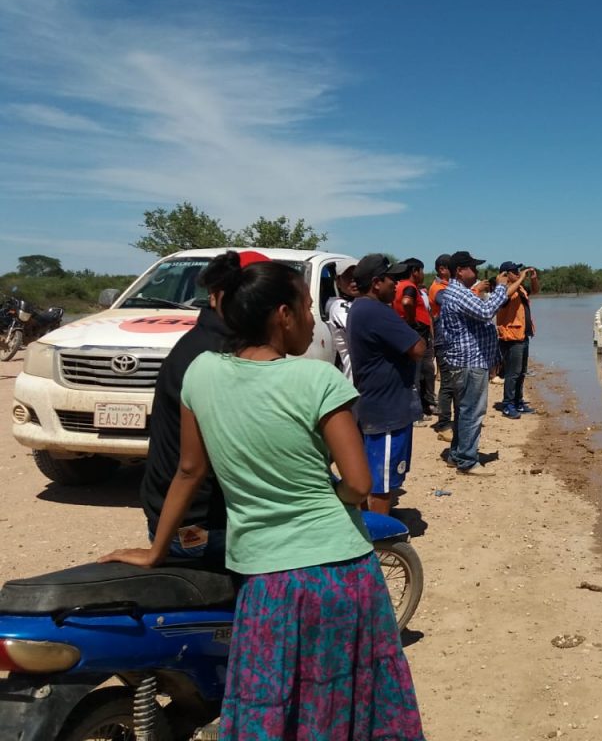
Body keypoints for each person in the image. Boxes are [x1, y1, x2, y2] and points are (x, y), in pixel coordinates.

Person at [102, 252, 424, 739]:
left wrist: (154, 550)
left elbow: (188, 471)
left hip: (265, 578)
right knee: (348, 702)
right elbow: (359, 485)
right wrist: (324, 495)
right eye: (306, 307)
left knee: (269, 702)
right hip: (340, 573)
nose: (313, 319)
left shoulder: (202, 372)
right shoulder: (318, 379)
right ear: (283, 314)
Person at [139, 249, 270, 564]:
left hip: (175, 519)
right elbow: (194, 468)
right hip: (202, 529)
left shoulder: (204, 341)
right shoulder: (227, 357)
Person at [347, 254, 426, 514]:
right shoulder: (375, 311)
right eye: (392, 279)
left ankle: (367, 523)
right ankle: (380, 541)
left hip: (376, 404)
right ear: (377, 282)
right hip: (386, 410)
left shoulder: (361, 308)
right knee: (383, 481)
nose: (397, 284)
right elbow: (417, 348)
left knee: (372, 475)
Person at [439, 250, 528, 476]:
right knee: (472, 412)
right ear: (460, 270)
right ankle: (467, 460)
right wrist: (499, 286)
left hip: (467, 362)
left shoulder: (459, 292)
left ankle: (458, 454)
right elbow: (487, 310)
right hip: (470, 363)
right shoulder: (459, 293)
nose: (476, 272)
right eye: (473, 268)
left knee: (463, 411)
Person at [496, 262, 540, 419]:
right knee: (512, 373)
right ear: (506, 274)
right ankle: (508, 404)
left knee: (521, 372)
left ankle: (518, 402)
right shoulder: (501, 291)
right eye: (515, 271)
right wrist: (521, 278)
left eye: (519, 270)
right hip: (511, 337)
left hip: (523, 335)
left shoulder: (519, 288)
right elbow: (505, 296)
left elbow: (535, 290)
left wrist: (533, 278)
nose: (519, 273)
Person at [395, 258, 436, 421]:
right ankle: (415, 414)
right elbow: (407, 302)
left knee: (420, 372)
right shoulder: (409, 287)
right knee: (415, 375)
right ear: (415, 271)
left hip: (414, 333)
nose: (423, 274)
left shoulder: (398, 286)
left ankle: (422, 407)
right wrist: (411, 320)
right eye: (421, 270)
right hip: (416, 334)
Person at [428, 254, 455, 437]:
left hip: (448, 340)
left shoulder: (447, 286)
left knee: (452, 383)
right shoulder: (437, 288)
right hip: (443, 340)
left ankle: (446, 420)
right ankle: (444, 423)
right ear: (442, 269)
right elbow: (450, 303)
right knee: (447, 384)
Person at [325, 259, 360, 379]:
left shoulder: (362, 303)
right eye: (348, 278)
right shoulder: (340, 306)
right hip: (354, 377)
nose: (354, 282)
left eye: (357, 277)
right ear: (338, 282)